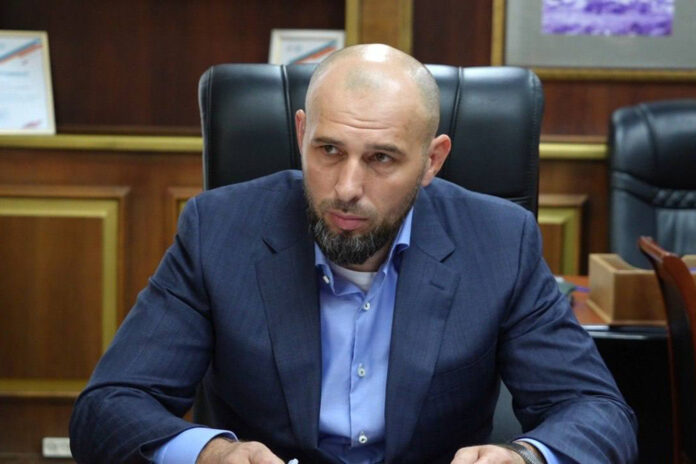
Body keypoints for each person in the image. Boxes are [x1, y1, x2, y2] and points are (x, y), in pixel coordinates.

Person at [69, 44, 637, 464]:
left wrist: (526, 458)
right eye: (329, 150)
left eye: (382, 158)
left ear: (433, 160)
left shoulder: (500, 241)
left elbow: (598, 413)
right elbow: (109, 407)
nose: (346, 187)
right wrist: (209, 453)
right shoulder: (218, 231)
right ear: (301, 135)